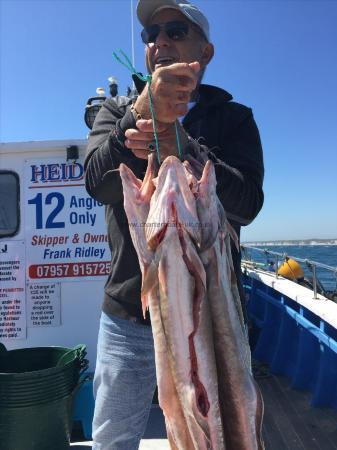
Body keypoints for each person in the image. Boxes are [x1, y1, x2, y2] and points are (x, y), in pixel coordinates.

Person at [84, 0, 264, 448]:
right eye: (151, 34)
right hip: (130, 312)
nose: (160, 40)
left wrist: (182, 144)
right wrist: (139, 116)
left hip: (215, 312)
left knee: (222, 429)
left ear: (205, 52)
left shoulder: (233, 119)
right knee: (113, 435)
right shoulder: (116, 113)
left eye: (176, 30)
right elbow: (98, 184)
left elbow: (246, 204)